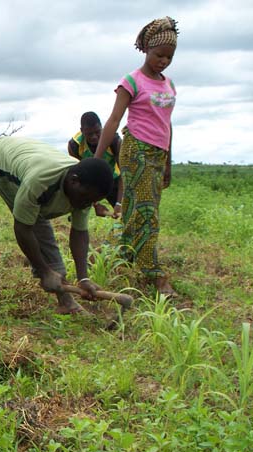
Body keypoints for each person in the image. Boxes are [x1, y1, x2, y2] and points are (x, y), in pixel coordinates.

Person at [0, 136, 114, 326]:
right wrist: (44, 271)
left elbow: (79, 233)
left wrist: (83, 278)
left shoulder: (86, 188)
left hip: (18, 174)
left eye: (90, 202)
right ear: (74, 181)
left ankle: (66, 303)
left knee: (44, 235)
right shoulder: (41, 180)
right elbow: (22, 229)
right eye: (85, 199)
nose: (85, 205)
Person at [94, 17, 178, 296]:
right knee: (147, 212)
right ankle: (153, 273)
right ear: (146, 50)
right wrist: (96, 159)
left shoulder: (169, 85)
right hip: (136, 151)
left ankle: (120, 258)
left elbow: (168, 124)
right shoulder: (131, 81)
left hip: (158, 155)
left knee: (133, 209)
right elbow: (114, 120)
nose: (163, 61)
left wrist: (168, 162)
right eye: (158, 55)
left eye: (169, 57)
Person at [68, 112, 123, 218]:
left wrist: (119, 203)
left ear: (102, 128)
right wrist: (95, 204)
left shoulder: (114, 140)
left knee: (125, 213)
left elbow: (124, 174)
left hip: (114, 178)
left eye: (97, 132)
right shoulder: (74, 145)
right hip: (91, 182)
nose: (94, 137)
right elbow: (78, 179)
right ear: (82, 131)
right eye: (89, 134)